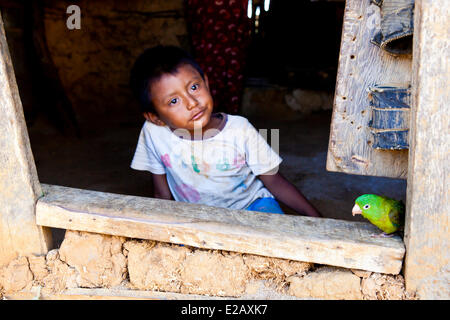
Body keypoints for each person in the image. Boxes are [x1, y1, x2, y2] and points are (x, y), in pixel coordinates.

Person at [129, 45, 322, 217]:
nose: (192, 103)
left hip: (253, 206)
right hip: (198, 217)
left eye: (194, 87)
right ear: (155, 118)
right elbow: (161, 194)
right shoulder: (153, 132)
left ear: (206, 81)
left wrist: (315, 218)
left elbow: (274, 182)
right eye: (174, 101)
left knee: (275, 242)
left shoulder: (240, 129)